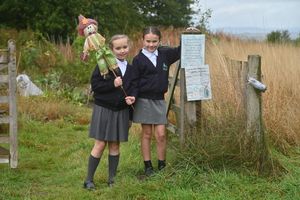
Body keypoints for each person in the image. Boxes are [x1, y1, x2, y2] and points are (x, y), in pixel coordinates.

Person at [83, 34, 136, 190]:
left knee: (115, 145)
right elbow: (96, 86)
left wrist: (132, 97)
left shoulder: (131, 69)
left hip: (121, 110)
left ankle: (112, 179)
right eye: (118, 48)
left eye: (124, 47)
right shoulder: (103, 64)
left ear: (129, 47)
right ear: (111, 50)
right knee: (100, 144)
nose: (121, 51)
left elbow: (132, 87)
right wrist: (112, 83)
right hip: (104, 108)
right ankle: (88, 180)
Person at [132, 26, 180, 176]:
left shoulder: (165, 55)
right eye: (148, 41)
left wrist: (189, 34)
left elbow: (181, 50)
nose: (151, 45)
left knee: (161, 134)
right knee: (147, 133)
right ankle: (148, 167)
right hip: (144, 100)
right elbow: (133, 82)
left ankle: (162, 165)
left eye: (154, 41)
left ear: (160, 40)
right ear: (143, 40)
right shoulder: (138, 60)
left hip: (159, 100)